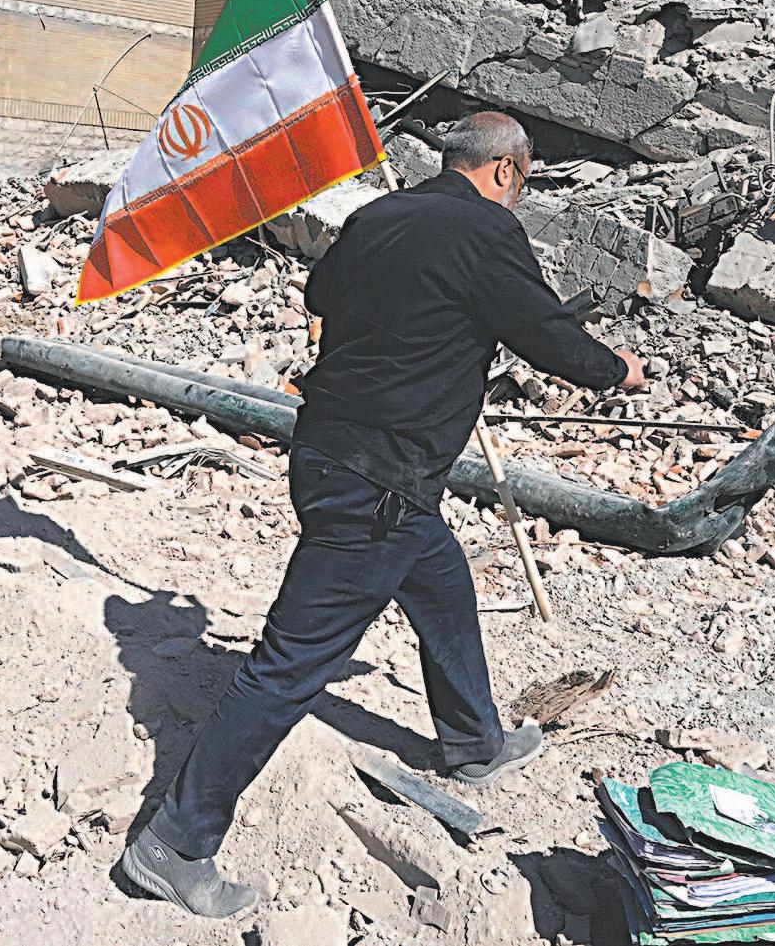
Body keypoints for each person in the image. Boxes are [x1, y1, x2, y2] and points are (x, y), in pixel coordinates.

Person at [121, 111, 646, 918]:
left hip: (329, 454)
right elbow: (545, 332)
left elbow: (321, 293)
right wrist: (615, 370)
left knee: (439, 575)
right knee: (289, 664)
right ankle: (174, 841)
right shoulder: (487, 231)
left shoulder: (378, 214)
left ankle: (475, 741)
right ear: (506, 170)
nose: (518, 194)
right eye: (523, 181)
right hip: (379, 482)